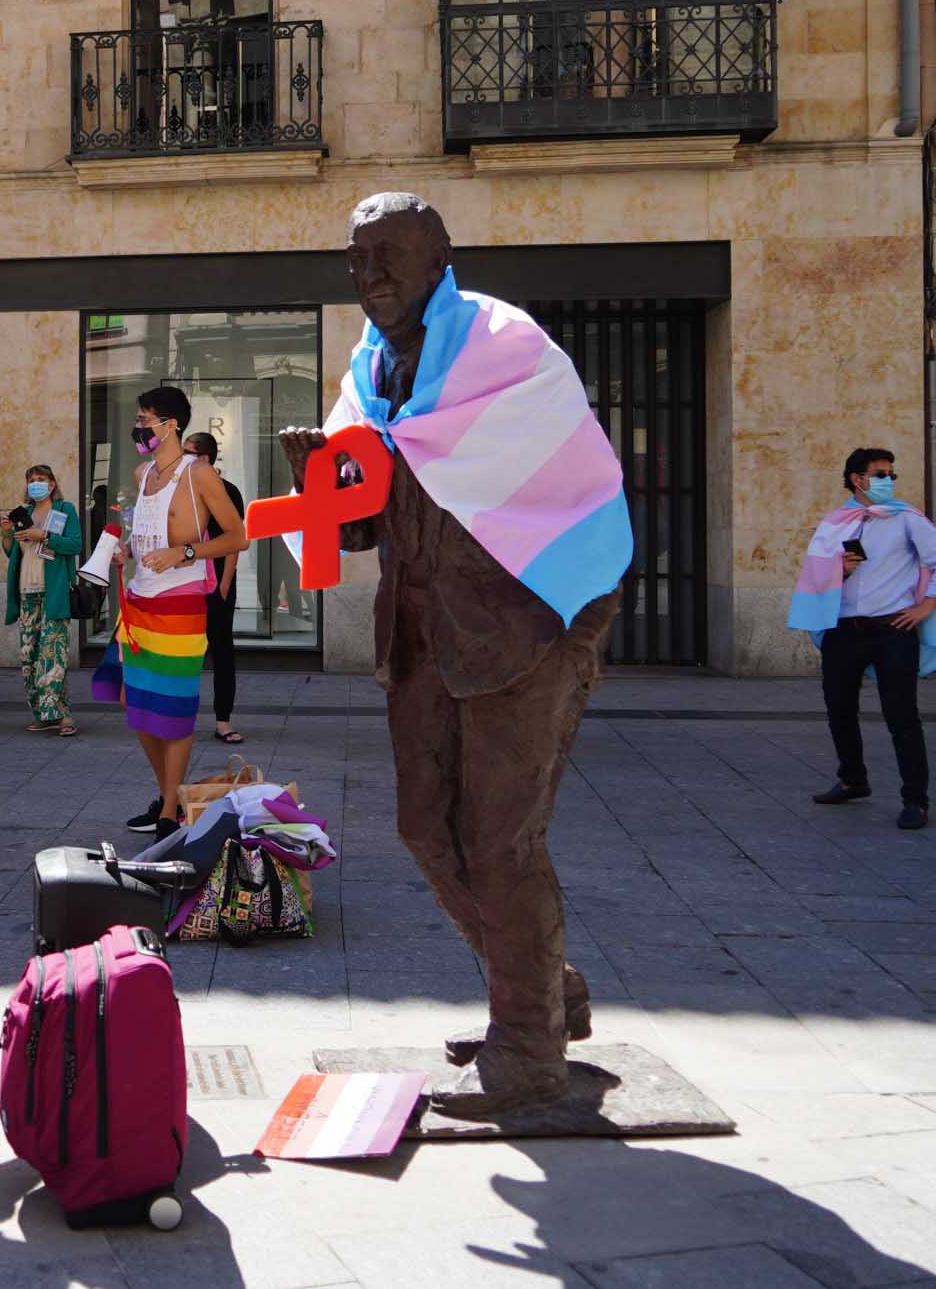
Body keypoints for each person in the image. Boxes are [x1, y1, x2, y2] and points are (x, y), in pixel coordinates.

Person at [279, 193, 629, 1116]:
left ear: (440, 256)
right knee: (424, 826)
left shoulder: (502, 349)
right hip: (425, 626)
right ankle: (546, 991)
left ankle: (528, 1046)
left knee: (501, 841)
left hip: (532, 620)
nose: (372, 276)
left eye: (390, 255)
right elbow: (361, 525)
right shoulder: (369, 373)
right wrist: (316, 472)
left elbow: (545, 483)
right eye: (358, 261)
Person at [105, 386, 248, 839]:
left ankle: (169, 808)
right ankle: (170, 792)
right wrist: (126, 549)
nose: (140, 425)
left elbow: (237, 537)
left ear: (172, 425)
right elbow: (144, 530)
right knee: (134, 702)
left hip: (182, 604)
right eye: (139, 416)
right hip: (138, 600)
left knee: (173, 709)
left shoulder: (199, 474)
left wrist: (183, 552)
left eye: (147, 418)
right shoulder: (143, 472)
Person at [793, 448, 936, 829]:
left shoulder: (907, 519)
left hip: (893, 628)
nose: (889, 481)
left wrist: (926, 606)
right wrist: (838, 569)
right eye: (881, 474)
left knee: (901, 715)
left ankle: (915, 800)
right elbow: (814, 572)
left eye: (892, 474)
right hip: (844, 629)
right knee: (838, 708)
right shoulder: (836, 523)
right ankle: (853, 779)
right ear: (857, 479)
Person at [1, 464, 84, 737]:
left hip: (54, 591)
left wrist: (45, 536)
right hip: (26, 591)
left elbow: (75, 544)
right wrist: (6, 533)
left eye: (41, 479)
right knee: (30, 656)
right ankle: (43, 714)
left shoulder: (64, 510)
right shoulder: (23, 513)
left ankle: (63, 715)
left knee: (53, 655)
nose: (35, 484)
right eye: (31, 480)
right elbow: (12, 552)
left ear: (51, 483)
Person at [184, 432, 248, 745]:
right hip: (186, 583)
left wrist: (224, 584)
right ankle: (180, 717)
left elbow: (236, 539)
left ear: (205, 459)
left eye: (189, 453)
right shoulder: (181, 491)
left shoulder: (228, 491)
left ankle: (224, 721)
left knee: (221, 651)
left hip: (218, 581)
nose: (182, 458)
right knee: (185, 653)